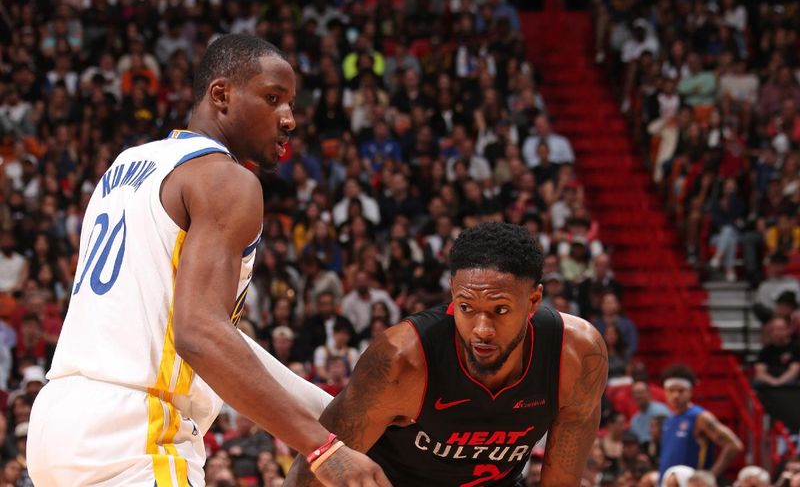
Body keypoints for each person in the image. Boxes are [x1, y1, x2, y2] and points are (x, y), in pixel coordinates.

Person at [27, 35, 388, 487]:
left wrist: (330, 415)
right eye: (272, 99)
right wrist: (322, 448)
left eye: (291, 103)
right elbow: (198, 334)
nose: (289, 119)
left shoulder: (127, 165)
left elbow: (211, 330)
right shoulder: (227, 180)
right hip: (136, 431)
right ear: (221, 94)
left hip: (57, 422)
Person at [285, 222, 609, 486]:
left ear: (534, 301)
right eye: (466, 307)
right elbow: (310, 475)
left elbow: (562, 480)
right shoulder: (402, 360)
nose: (482, 329)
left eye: (500, 309)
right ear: (453, 291)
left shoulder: (576, 356)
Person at [659, 365, 743, 480]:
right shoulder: (669, 419)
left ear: (690, 391)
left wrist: (710, 476)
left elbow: (734, 445)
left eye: (681, 390)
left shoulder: (700, 417)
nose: (675, 395)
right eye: (671, 390)